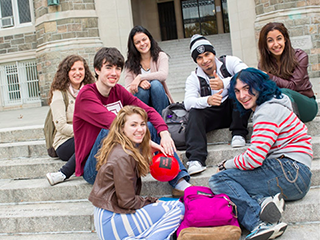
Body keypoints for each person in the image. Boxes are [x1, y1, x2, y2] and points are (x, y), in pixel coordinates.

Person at [209, 68, 313, 240]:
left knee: (219, 179)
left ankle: (259, 223)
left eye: (247, 88)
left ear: (260, 86)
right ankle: (264, 202)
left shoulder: (266, 111)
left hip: (290, 171)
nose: (242, 95)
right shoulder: (272, 105)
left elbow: (254, 158)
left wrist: (226, 164)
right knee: (237, 180)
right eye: (237, 91)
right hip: (297, 177)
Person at [73, 47, 190, 197]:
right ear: (97, 70)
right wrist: (145, 142)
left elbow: (148, 111)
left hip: (119, 157)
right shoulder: (86, 95)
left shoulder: (118, 91)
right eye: (108, 67)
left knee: (149, 125)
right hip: (94, 167)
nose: (114, 73)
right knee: (110, 130)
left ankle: (178, 180)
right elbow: (115, 124)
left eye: (117, 68)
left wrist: (164, 132)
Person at [89, 105, 185, 240]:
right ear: (122, 128)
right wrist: (153, 201)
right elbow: (127, 202)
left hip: (109, 215)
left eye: (142, 124)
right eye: (133, 125)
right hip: (113, 221)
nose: (140, 129)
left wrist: (145, 148)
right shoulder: (123, 157)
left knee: (169, 205)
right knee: (178, 208)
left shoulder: (121, 148)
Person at [184, 34, 251, 175]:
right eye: (199, 58)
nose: (205, 60)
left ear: (213, 53)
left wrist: (225, 83)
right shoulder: (194, 77)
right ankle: (196, 159)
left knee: (238, 90)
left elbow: (248, 75)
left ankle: (239, 133)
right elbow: (188, 102)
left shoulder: (229, 62)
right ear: (196, 61)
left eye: (207, 54)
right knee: (195, 111)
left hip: (233, 110)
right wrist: (207, 100)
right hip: (212, 114)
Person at [46, 55, 95, 186]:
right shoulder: (59, 94)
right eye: (73, 69)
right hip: (65, 142)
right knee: (93, 138)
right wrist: (85, 132)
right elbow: (61, 127)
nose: (78, 73)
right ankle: (63, 173)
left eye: (81, 69)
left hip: (87, 137)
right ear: (66, 72)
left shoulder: (90, 90)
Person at [258, 22, 318, 123]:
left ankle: (294, 129)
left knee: (284, 93)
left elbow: (292, 86)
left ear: (285, 39)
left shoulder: (300, 56)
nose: (276, 44)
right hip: (280, 106)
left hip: (306, 105)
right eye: (270, 40)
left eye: (279, 38)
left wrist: (268, 76)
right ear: (265, 44)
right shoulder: (263, 64)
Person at [124, 25, 174, 115]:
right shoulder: (129, 64)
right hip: (142, 103)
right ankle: (143, 122)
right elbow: (127, 90)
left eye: (144, 39)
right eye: (138, 42)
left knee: (155, 84)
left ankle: (161, 123)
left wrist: (140, 77)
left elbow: (163, 75)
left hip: (160, 102)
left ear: (149, 39)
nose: (142, 44)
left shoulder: (160, 56)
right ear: (134, 46)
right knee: (142, 90)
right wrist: (138, 84)